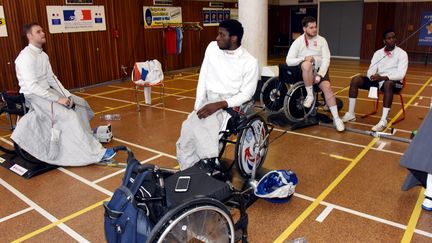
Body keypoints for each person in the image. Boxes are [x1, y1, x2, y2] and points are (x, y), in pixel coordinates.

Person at [11, 22, 116, 166]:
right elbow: (32, 86)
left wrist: (67, 95)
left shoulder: (43, 55)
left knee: (79, 105)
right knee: (69, 116)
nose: (43, 33)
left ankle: (86, 139)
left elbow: (52, 78)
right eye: (38, 31)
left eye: (42, 31)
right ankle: (96, 154)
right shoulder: (25, 57)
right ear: (29, 36)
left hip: (46, 92)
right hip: (33, 96)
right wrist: (58, 99)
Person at [176, 19, 259, 170]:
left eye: (222, 34)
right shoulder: (212, 48)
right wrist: (198, 105)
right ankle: (187, 170)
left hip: (229, 105)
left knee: (205, 133)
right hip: (208, 101)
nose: (217, 38)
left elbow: (247, 94)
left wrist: (220, 104)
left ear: (233, 38)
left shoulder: (249, 62)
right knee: (187, 131)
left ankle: (208, 167)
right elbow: (204, 76)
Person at [342, 29, 408, 132]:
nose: (391, 40)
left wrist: (383, 77)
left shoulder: (402, 54)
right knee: (356, 80)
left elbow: (401, 74)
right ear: (384, 41)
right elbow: (371, 68)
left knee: (388, 84)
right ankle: (351, 113)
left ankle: (383, 120)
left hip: (395, 83)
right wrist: (372, 76)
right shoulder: (378, 53)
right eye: (388, 38)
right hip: (378, 81)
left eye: (393, 37)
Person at [286, 16, 344, 132]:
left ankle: (337, 119)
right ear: (304, 29)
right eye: (311, 27)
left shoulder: (322, 40)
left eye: (315, 27)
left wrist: (320, 75)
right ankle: (310, 96)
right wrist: (304, 58)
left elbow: (326, 59)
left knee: (327, 88)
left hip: (320, 70)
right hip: (306, 72)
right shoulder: (298, 42)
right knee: (306, 64)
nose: (314, 29)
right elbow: (288, 60)